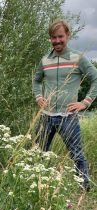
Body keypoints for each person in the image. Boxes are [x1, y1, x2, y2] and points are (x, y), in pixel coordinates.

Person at [33, 19, 97, 191]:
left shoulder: (78, 58)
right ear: (50, 38)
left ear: (68, 35)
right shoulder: (45, 60)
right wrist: (39, 97)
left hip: (68, 117)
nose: (57, 41)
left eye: (60, 36)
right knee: (37, 154)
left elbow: (95, 78)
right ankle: (37, 187)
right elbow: (37, 80)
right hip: (46, 116)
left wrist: (85, 102)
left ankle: (84, 190)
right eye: (53, 37)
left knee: (77, 155)